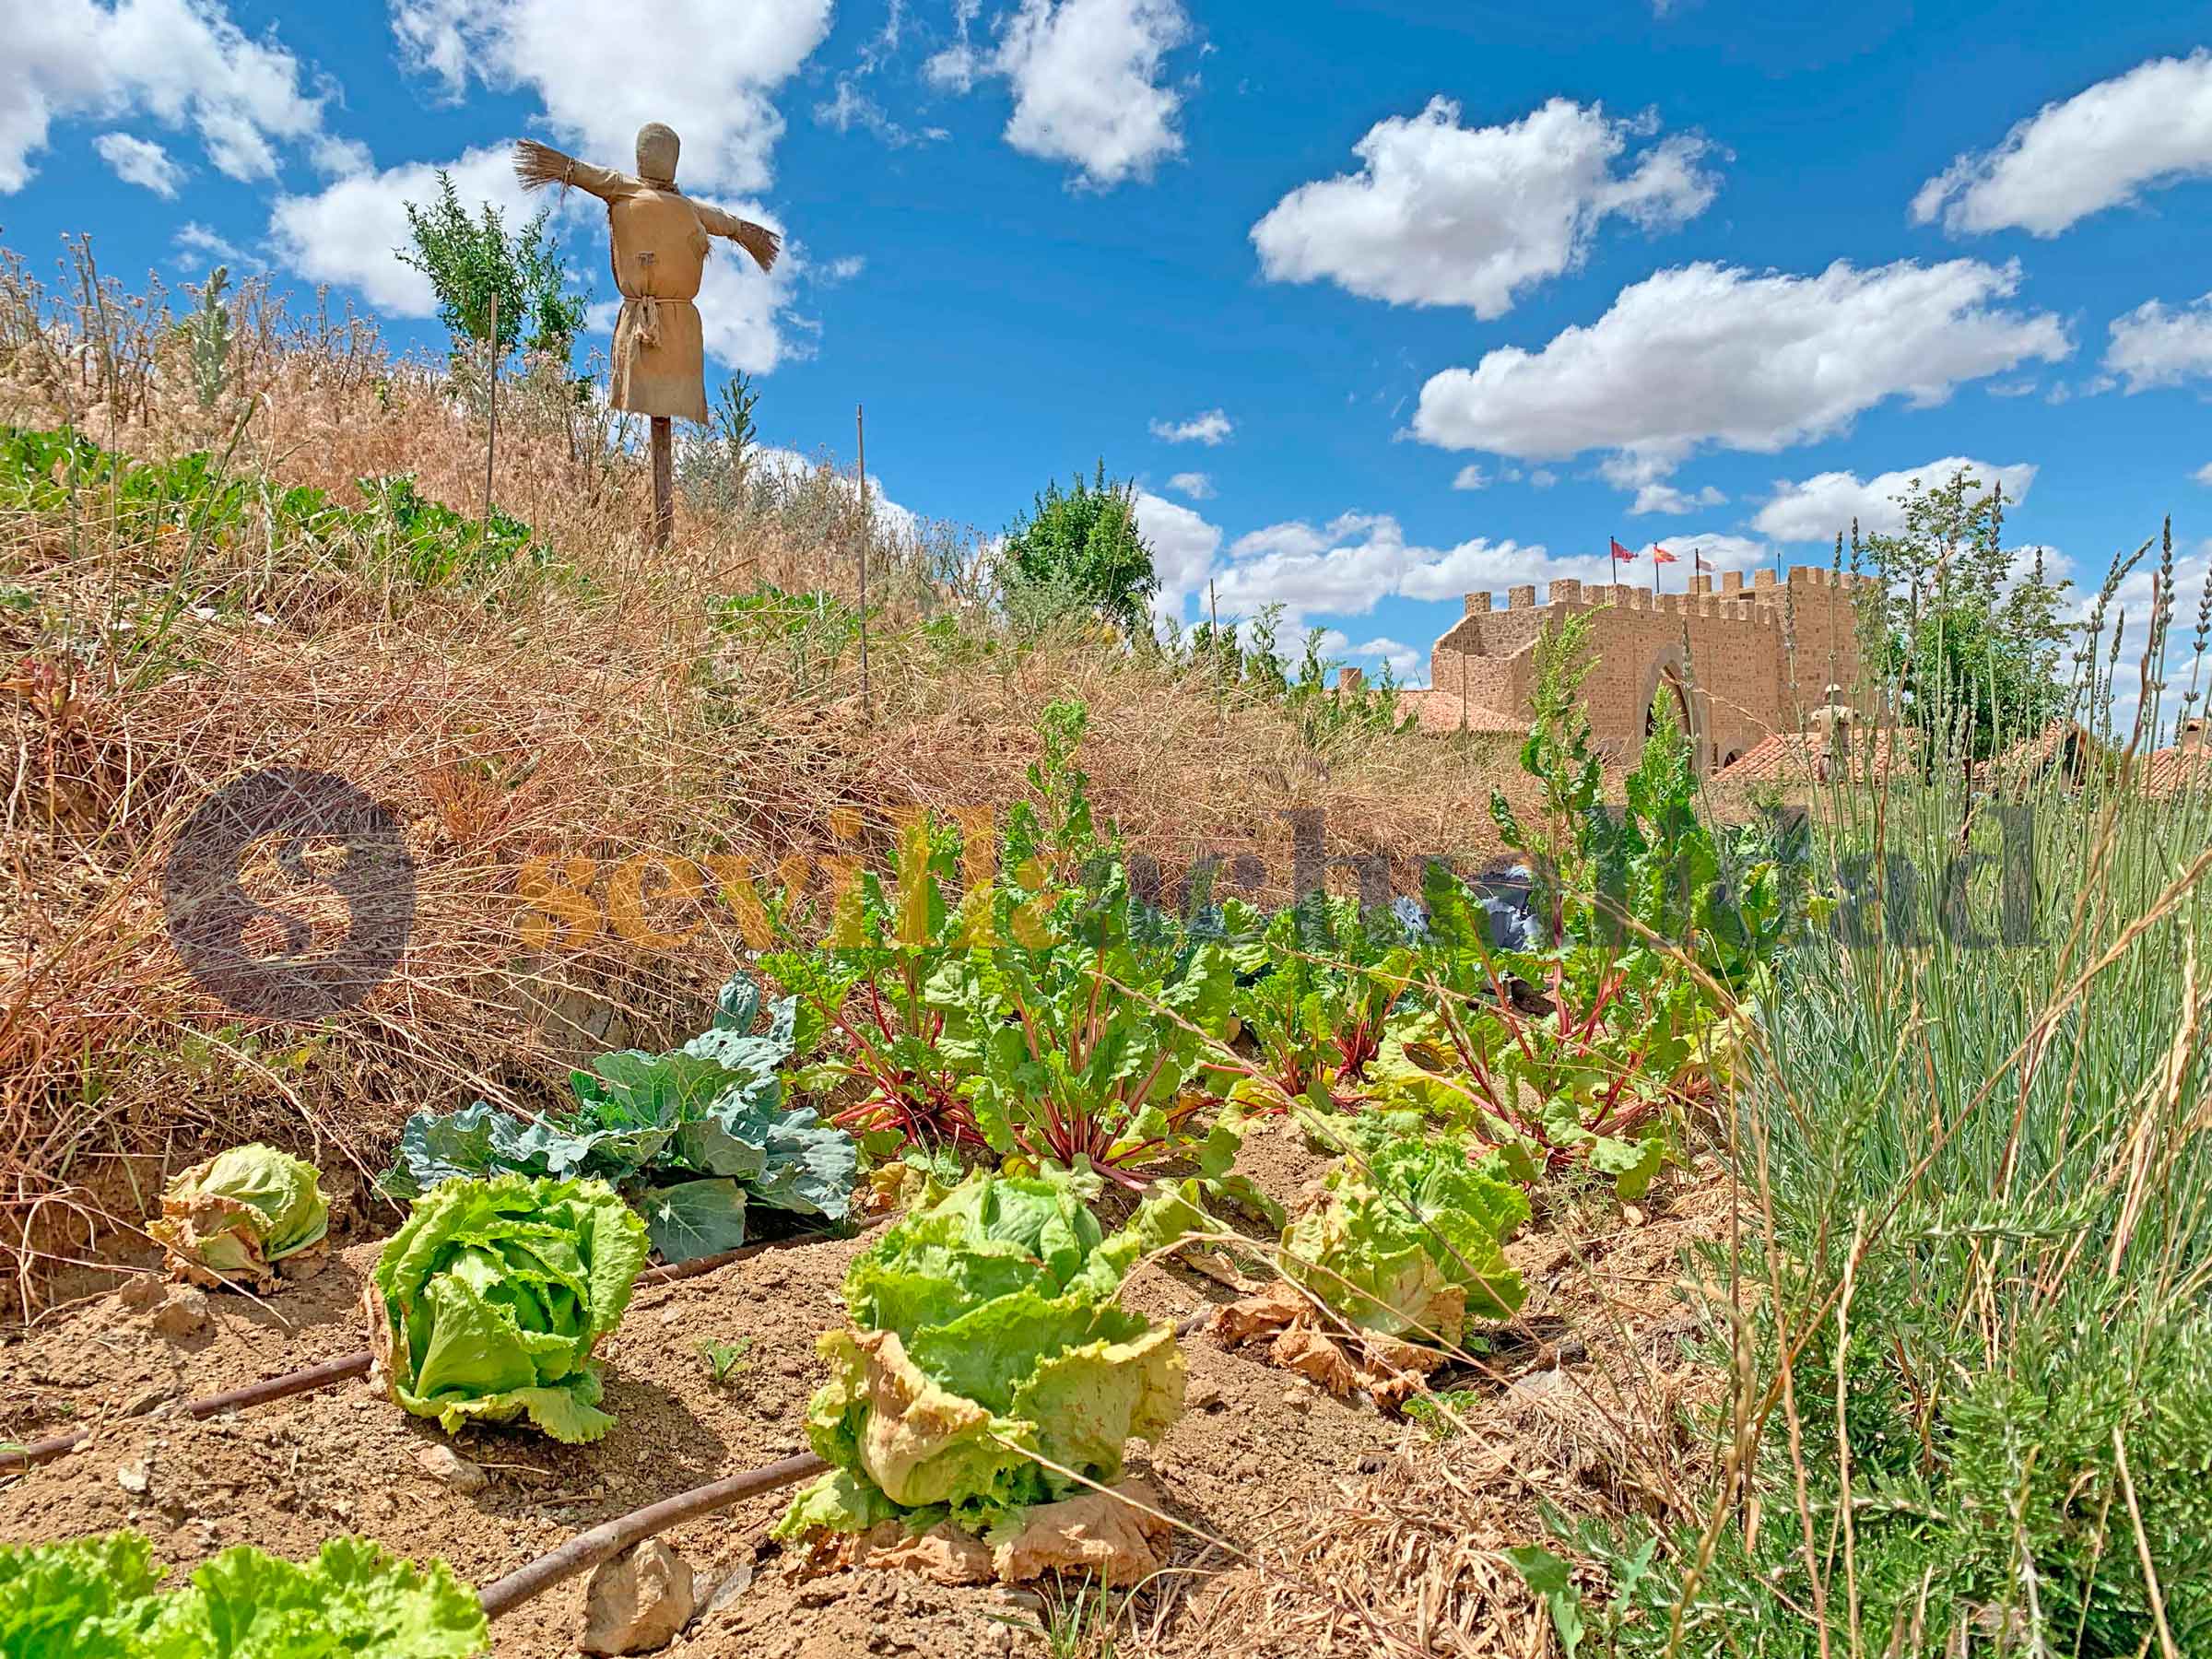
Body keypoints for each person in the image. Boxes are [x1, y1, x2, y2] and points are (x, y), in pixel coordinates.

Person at [513, 124, 779, 424]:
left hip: (648, 322)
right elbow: (727, 223)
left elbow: (583, 173)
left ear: (641, 156)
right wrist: (746, 232)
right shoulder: (688, 208)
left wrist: (559, 165)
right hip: (677, 328)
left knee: (659, 401)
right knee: (665, 401)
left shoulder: (624, 189)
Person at [1810, 683, 1854, 782]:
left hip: (1826, 751)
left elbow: (1813, 718)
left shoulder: (1821, 711)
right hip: (1836, 750)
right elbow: (1851, 716)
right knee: (1838, 779)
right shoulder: (1841, 711)